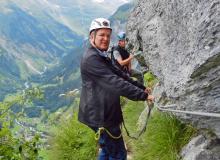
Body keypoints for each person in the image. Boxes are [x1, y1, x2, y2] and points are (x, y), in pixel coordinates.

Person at [78, 18, 154, 160]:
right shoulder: (91, 59)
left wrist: (142, 88)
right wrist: (143, 96)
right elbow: (115, 83)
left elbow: (119, 74)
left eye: (108, 35)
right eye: (101, 35)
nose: (105, 39)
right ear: (92, 36)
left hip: (101, 112)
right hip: (101, 117)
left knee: (107, 150)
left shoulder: (101, 55)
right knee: (118, 154)